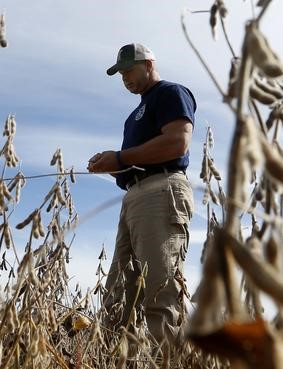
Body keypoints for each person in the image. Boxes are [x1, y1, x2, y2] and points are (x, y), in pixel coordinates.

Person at [87, 43, 196, 345]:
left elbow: (177, 143)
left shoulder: (171, 93)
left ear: (149, 64)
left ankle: (175, 364)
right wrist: (111, 165)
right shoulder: (133, 116)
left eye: (129, 70)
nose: (125, 78)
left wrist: (120, 158)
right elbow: (135, 162)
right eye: (120, 74)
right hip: (134, 197)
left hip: (162, 192)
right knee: (118, 299)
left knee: (160, 293)